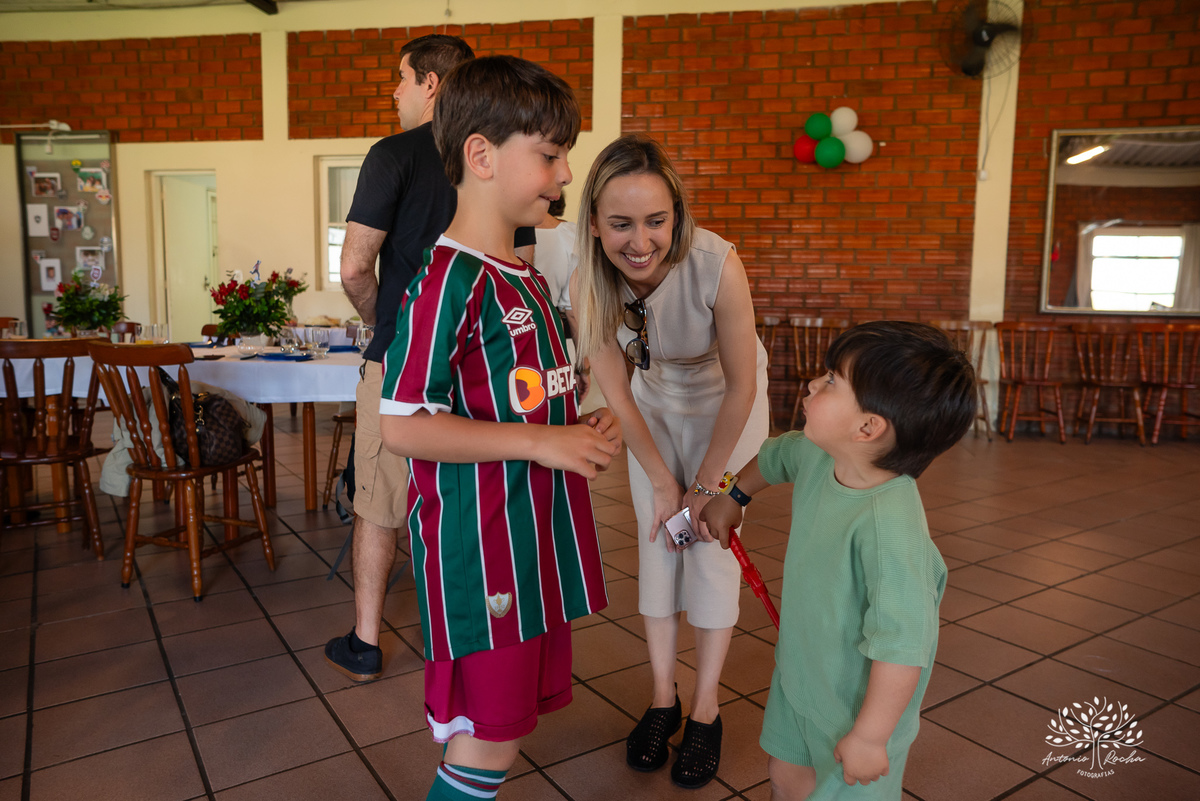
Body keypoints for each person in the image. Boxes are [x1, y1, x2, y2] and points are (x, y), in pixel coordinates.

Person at [378, 55, 621, 801]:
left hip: (528, 539)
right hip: (482, 552)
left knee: (503, 727)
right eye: (549, 154)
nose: (566, 173)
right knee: (489, 734)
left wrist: (573, 423)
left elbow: (517, 400)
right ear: (481, 156)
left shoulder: (523, 274)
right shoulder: (449, 279)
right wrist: (541, 441)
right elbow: (404, 424)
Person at [327, 34, 537, 682]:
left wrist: (382, 324)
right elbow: (521, 268)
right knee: (468, 502)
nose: (395, 91)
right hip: (483, 367)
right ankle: (471, 633)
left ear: (432, 83)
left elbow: (354, 266)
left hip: (401, 359)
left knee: (379, 503)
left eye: (402, 77)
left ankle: (366, 641)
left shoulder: (392, 154)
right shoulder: (500, 158)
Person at [700, 321, 977, 801]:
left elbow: (902, 646)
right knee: (785, 779)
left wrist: (870, 737)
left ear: (868, 428)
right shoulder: (820, 453)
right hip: (799, 677)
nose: (812, 383)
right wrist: (732, 495)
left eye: (831, 380)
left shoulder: (891, 531)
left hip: (857, 711)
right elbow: (777, 454)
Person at [571, 133, 770, 789]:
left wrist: (708, 485)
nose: (640, 241)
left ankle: (707, 708)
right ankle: (665, 697)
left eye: (656, 220)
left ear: (676, 216)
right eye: (621, 223)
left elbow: (742, 386)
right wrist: (662, 481)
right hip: (654, 404)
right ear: (594, 223)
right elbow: (619, 393)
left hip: (727, 406)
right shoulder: (588, 280)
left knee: (708, 547)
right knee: (661, 541)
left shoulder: (717, 264)